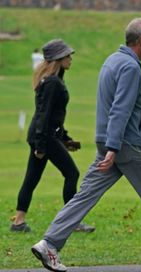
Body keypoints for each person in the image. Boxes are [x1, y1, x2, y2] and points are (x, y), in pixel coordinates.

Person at [31, 18, 141, 272]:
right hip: (126, 146)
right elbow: (120, 109)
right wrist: (115, 147)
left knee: (84, 196)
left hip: (108, 143)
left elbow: (128, 107)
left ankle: (49, 244)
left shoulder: (113, 60)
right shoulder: (131, 68)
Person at [12, 39, 95, 233]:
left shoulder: (54, 80)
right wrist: (41, 146)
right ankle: (71, 222)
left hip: (44, 136)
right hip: (44, 138)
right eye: (67, 55)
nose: (70, 59)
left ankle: (18, 222)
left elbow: (53, 117)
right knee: (72, 173)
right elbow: (44, 114)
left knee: (31, 179)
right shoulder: (52, 83)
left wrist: (65, 138)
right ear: (58, 58)